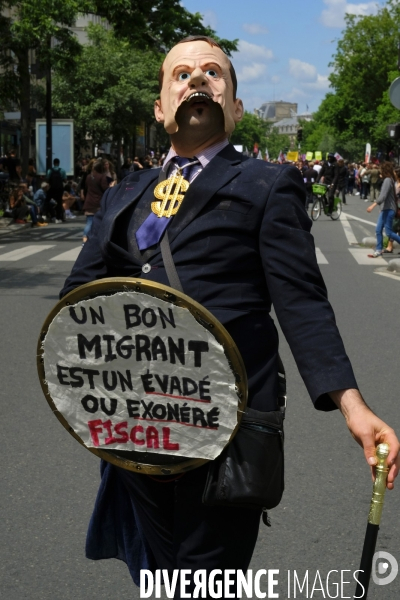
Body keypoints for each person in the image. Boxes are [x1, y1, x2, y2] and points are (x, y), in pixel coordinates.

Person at [60, 36, 400, 596]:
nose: (197, 80)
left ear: (236, 108)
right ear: (160, 107)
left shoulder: (267, 184)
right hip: (137, 428)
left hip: (227, 431)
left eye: (214, 73)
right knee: (156, 574)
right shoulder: (129, 189)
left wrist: (352, 405)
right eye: (182, 74)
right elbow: (78, 299)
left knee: (206, 581)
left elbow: (301, 301)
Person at [367, 161, 400, 257]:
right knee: (378, 230)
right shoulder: (389, 180)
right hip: (386, 209)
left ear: (385, 170)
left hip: (389, 209)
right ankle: (378, 249)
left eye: (381, 170)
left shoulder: (387, 180)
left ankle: (379, 249)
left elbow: (383, 196)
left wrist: (372, 206)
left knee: (389, 232)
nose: (380, 171)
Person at [82, 158, 109, 244]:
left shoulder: (89, 177)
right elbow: (106, 189)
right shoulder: (102, 177)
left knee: (89, 222)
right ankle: (97, 239)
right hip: (99, 202)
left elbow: (86, 188)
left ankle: (85, 240)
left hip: (89, 201)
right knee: (100, 222)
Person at [46, 158, 67, 222]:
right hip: (59, 189)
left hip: (52, 189)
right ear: (59, 163)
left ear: (53, 163)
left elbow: (47, 179)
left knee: (47, 201)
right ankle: (59, 217)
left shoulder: (50, 170)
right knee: (59, 202)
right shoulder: (62, 170)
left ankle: (51, 215)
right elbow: (65, 180)